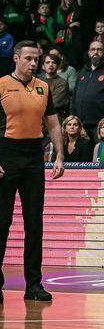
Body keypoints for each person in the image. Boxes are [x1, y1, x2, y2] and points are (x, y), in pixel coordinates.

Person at [0, 40, 64, 302]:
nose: (33, 63)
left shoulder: (43, 87)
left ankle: (34, 285)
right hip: (5, 154)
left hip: (33, 157)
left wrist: (59, 154)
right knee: (2, 221)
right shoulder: (2, 84)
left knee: (34, 223)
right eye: (28, 58)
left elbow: (53, 124)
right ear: (16, 59)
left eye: (36, 59)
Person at [73, 40, 104, 141]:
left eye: (99, 50)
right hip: (81, 126)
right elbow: (74, 97)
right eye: (93, 49)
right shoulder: (82, 72)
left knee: (100, 155)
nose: (95, 52)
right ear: (88, 53)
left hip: (101, 126)